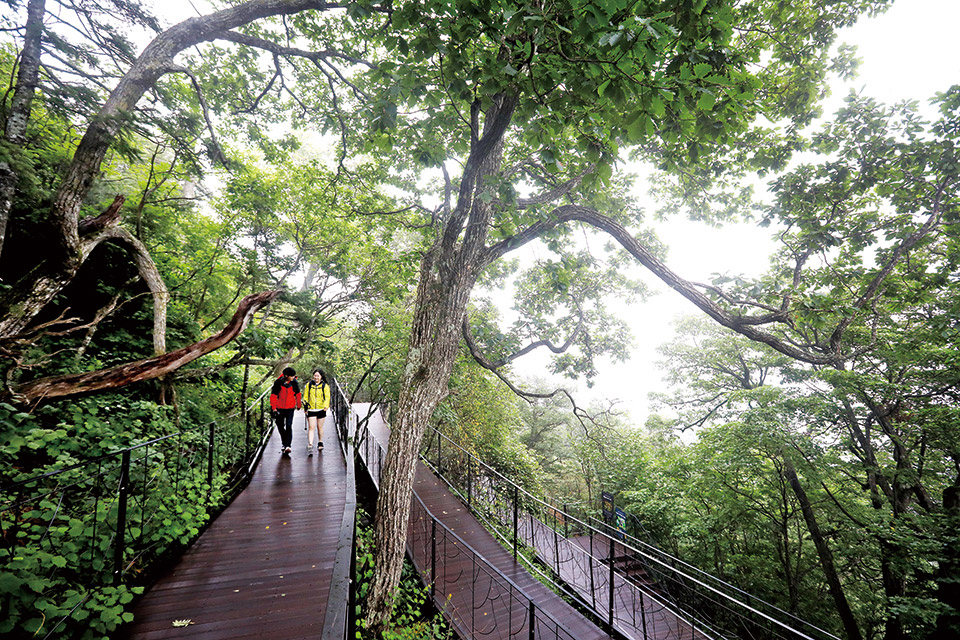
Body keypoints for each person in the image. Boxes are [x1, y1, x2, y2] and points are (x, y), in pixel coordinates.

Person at [270, 366, 302, 456]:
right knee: (280, 426)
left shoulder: (294, 382)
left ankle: (288, 445)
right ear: (286, 376)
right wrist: (274, 408)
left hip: (290, 407)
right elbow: (273, 396)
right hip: (279, 407)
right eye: (291, 376)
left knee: (288, 425)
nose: (293, 378)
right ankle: (284, 442)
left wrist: (299, 405)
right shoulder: (278, 382)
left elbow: (298, 394)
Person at [302, 368, 330, 454]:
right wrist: (305, 406)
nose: (316, 377)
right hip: (311, 409)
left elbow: (327, 397)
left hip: (321, 408)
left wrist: (326, 406)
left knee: (319, 427)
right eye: (315, 375)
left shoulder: (325, 386)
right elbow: (305, 396)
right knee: (311, 427)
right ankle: (310, 444)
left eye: (318, 376)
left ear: (321, 376)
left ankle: (320, 441)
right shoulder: (309, 385)